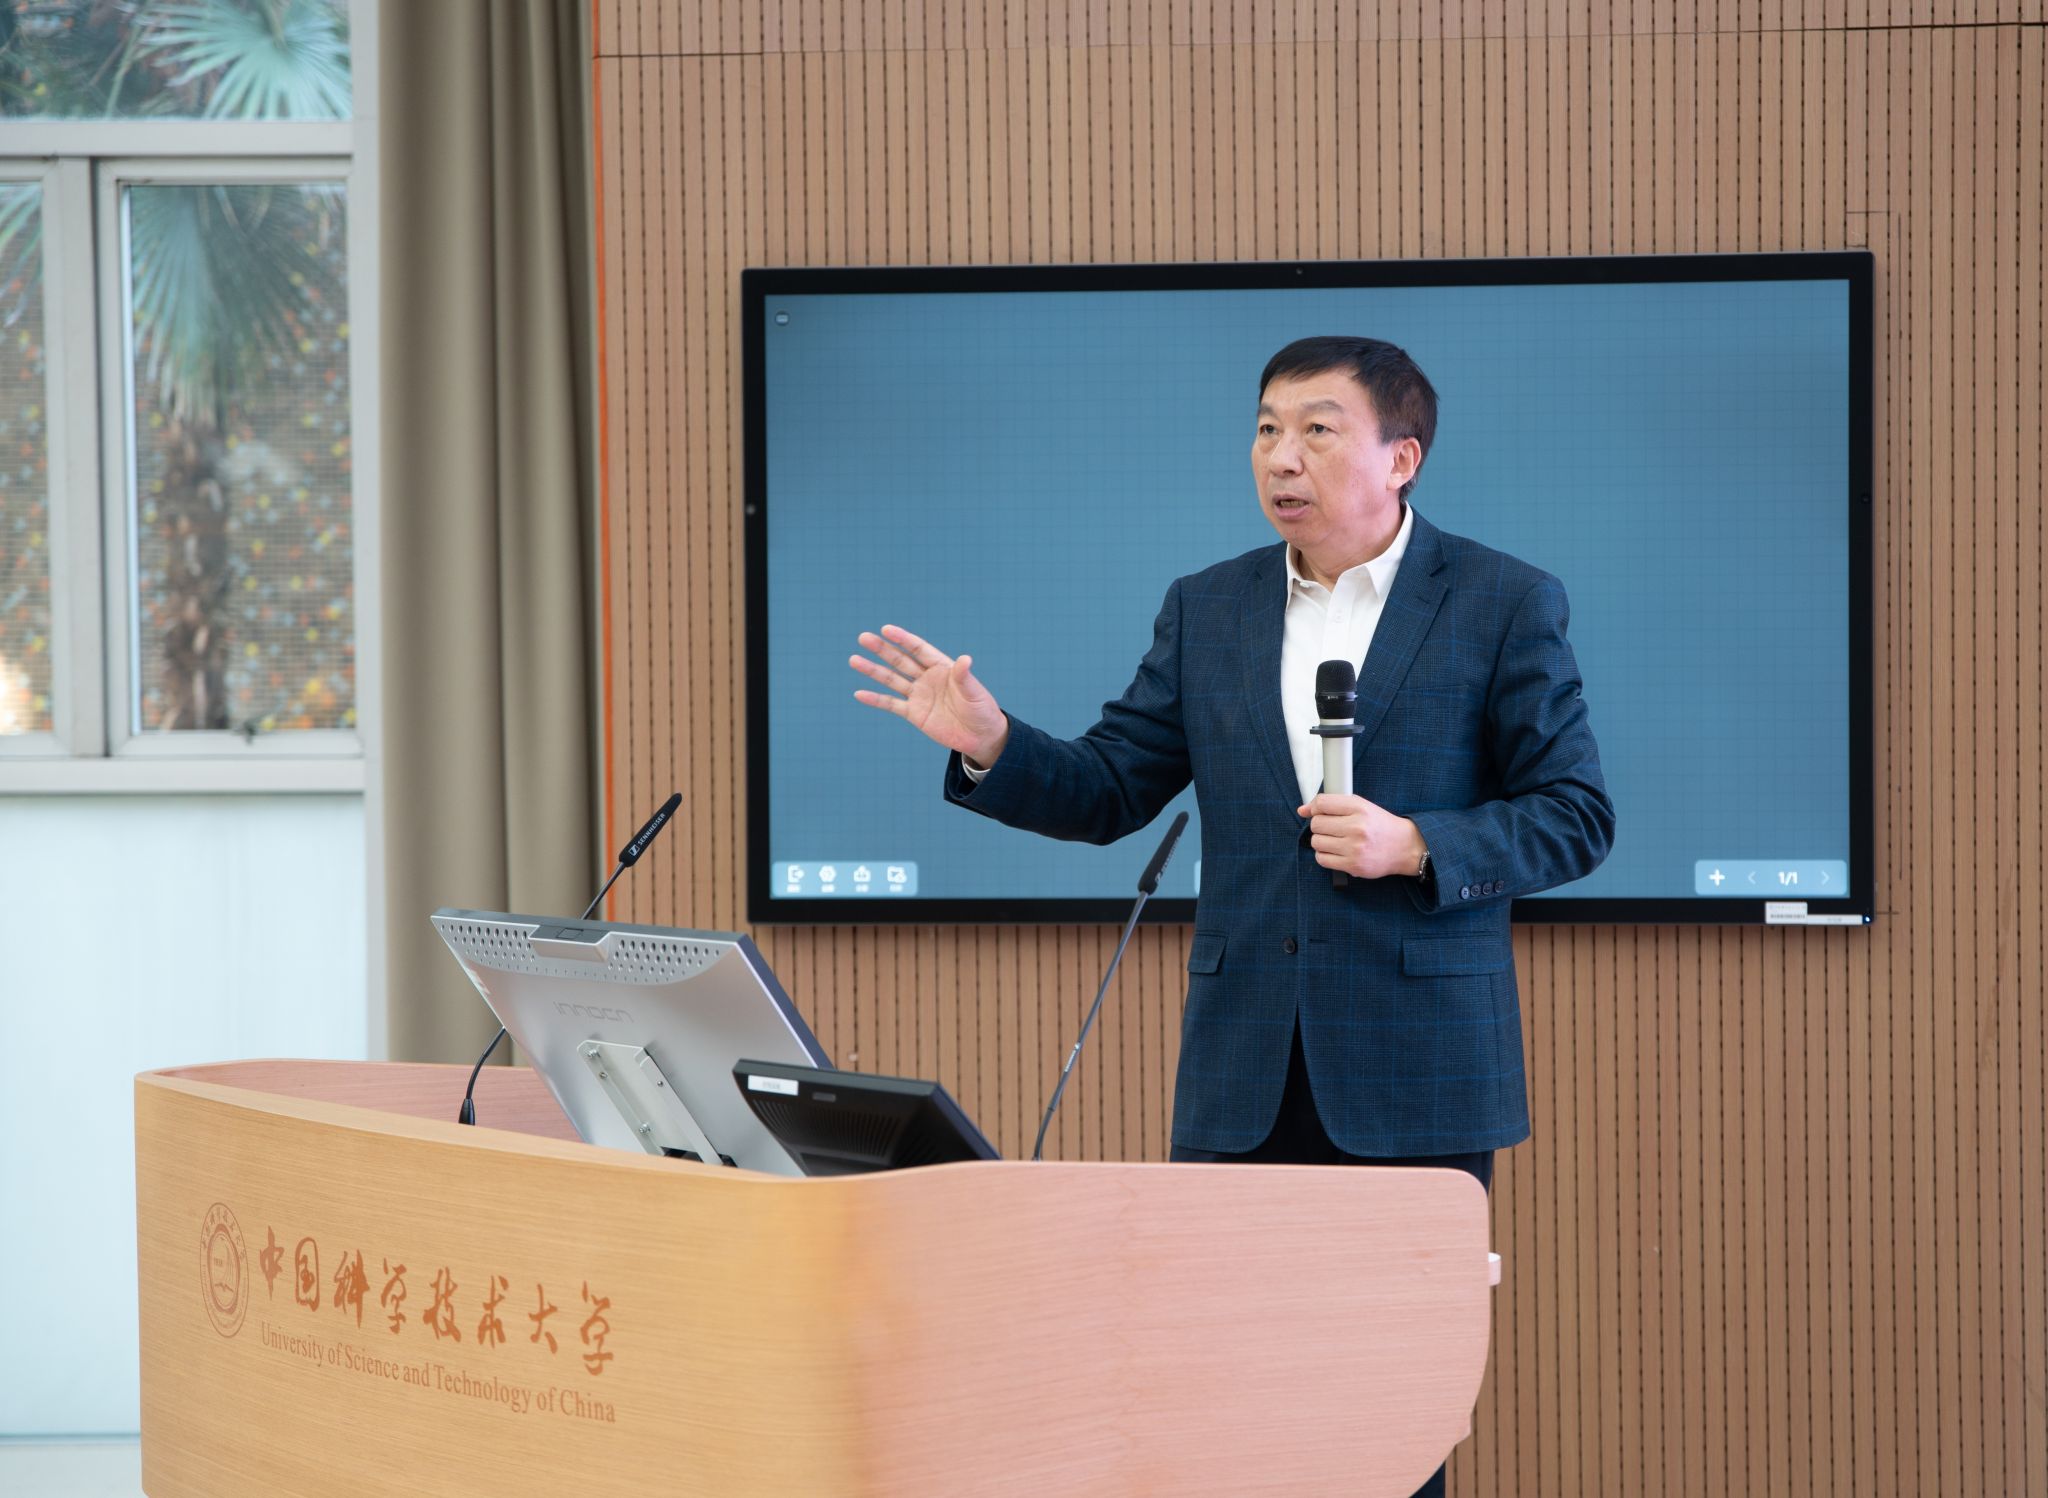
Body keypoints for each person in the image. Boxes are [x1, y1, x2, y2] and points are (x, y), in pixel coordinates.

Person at [850, 336, 1615, 1494]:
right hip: (1240, 1076)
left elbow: (1574, 813)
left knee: (1382, 1414)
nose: (1279, 456)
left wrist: (1416, 843)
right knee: (1225, 1409)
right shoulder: (1209, 606)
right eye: (1265, 428)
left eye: (1316, 429)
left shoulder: (1500, 600)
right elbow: (1111, 785)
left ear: (1400, 456)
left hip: (1415, 1079)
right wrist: (993, 745)